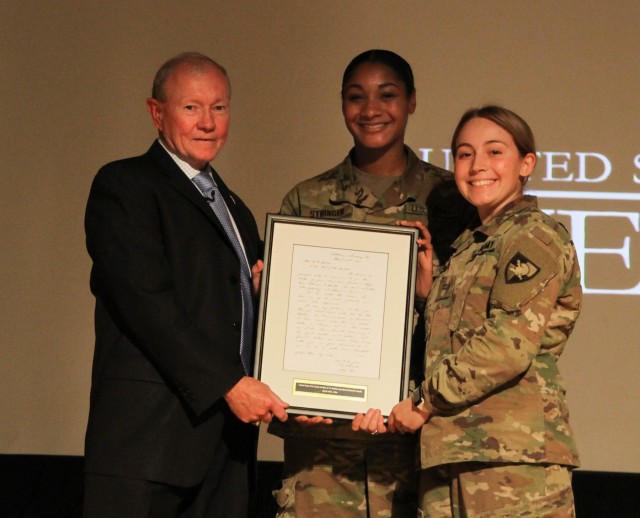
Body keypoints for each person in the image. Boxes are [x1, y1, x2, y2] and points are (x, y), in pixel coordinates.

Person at [269, 49, 476, 517]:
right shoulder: (307, 198)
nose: (371, 110)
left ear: (412, 102)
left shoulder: (449, 197)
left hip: (414, 430)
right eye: (355, 97)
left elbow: (468, 309)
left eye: (387, 95)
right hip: (321, 441)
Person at [83, 52, 288, 518]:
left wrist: (265, 301)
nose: (208, 122)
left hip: (226, 449)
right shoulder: (125, 186)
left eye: (219, 107)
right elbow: (146, 302)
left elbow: (225, 308)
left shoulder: (234, 207)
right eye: (191, 108)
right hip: (147, 447)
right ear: (157, 113)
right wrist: (230, 384)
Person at [380, 105, 582, 517]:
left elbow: (505, 347)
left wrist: (421, 403)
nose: (477, 166)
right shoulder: (468, 247)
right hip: (449, 455)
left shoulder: (534, 235)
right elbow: (455, 337)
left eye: (494, 152)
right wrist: (426, 294)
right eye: (465, 154)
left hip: (511, 463)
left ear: (527, 164)